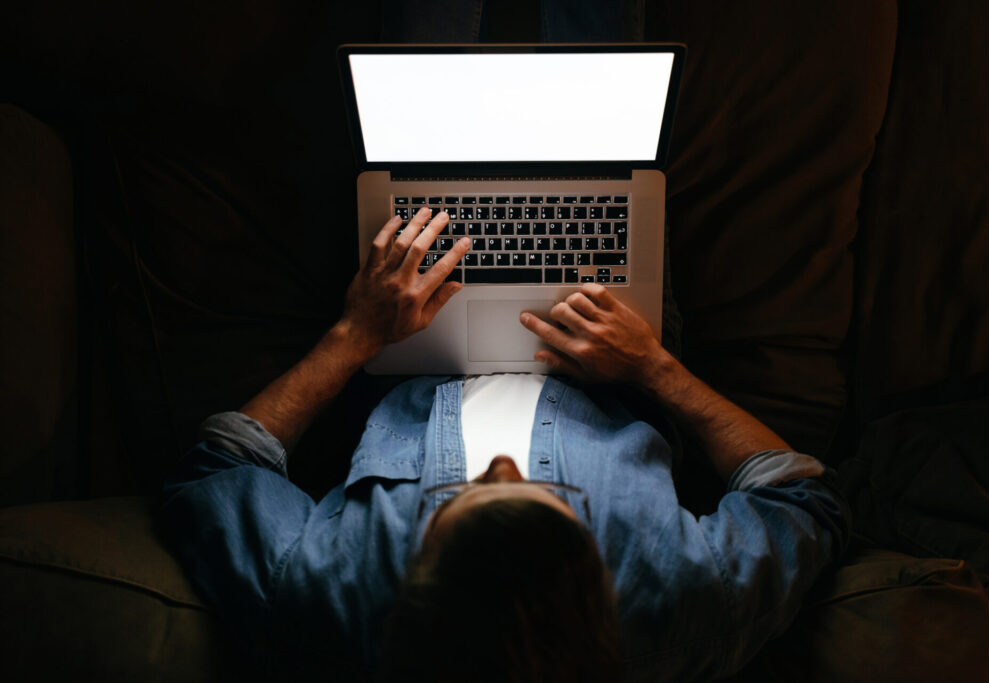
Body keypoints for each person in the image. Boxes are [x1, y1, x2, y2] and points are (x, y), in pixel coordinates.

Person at [160, 207, 850, 682]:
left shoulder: (320, 607)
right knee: (601, 138)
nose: (500, 464)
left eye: (460, 498)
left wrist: (354, 336)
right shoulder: (689, 605)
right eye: (554, 499)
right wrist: (654, 367)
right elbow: (800, 496)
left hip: (408, 344)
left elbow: (218, 467)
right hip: (611, 350)